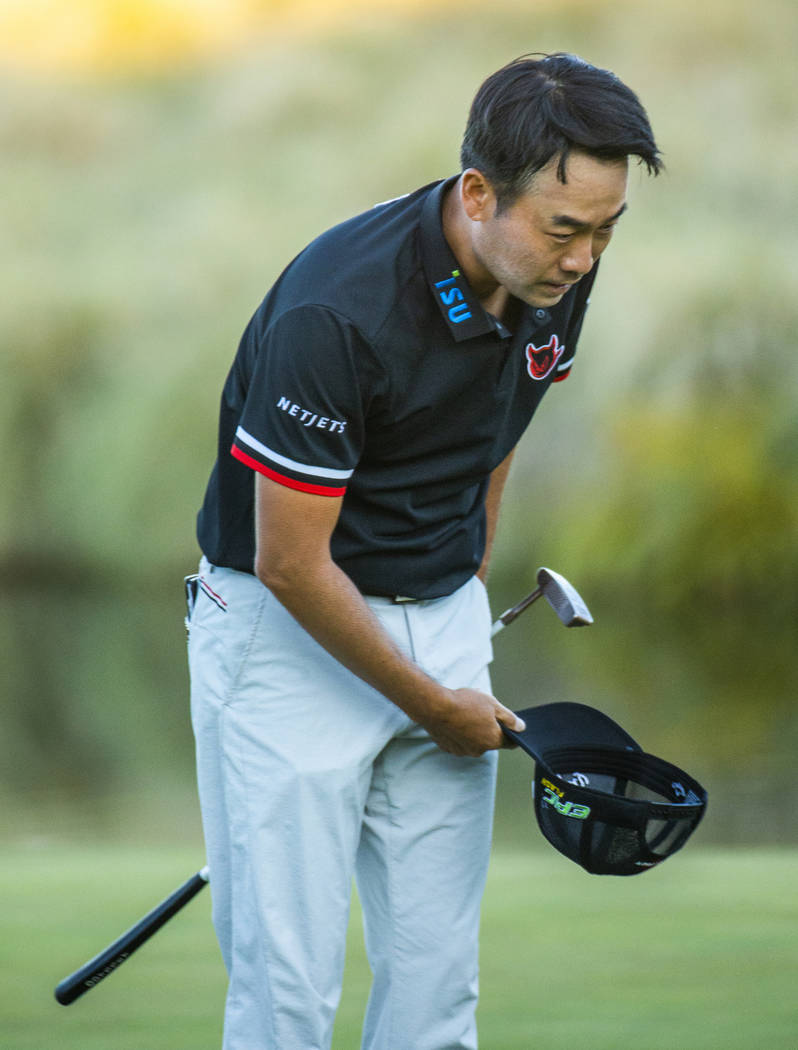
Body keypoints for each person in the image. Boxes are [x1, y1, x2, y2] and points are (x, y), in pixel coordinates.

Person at [187, 52, 661, 1050]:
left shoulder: (551, 270)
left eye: (607, 230)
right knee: (287, 995)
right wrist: (428, 697)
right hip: (285, 637)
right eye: (566, 227)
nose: (582, 259)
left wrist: (459, 591)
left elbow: (501, 421)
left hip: (439, 622)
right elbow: (289, 562)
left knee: (438, 992)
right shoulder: (339, 310)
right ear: (480, 192)